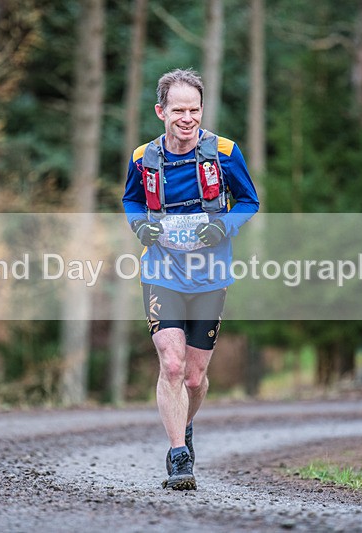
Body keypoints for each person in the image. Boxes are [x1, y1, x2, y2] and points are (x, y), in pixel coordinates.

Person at [122, 68, 259, 490]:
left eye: (194, 109)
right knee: (173, 364)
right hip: (161, 272)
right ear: (161, 111)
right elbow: (131, 200)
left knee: (196, 377)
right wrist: (139, 226)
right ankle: (178, 454)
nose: (187, 118)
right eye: (178, 110)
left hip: (210, 276)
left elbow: (249, 201)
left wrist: (224, 227)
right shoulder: (143, 157)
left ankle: (186, 423)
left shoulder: (224, 151)